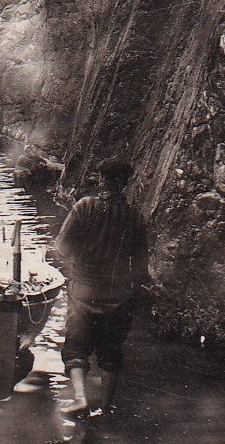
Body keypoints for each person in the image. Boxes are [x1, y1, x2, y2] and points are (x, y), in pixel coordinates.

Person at [48, 158, 149, 419]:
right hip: (119, 293)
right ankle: (105, 408)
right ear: (126, 183)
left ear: (101, 180)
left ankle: (80, 400)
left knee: (76, 348)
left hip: (85, 289)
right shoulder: (135, 217)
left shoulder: (85, 207)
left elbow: (63, 247)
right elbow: (141, 265)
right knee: (111, 349)